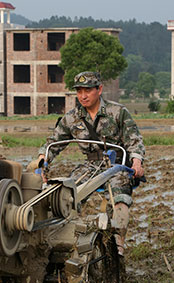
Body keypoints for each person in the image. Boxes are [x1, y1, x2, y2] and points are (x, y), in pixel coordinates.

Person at [28, 71, 145, 255]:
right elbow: (53, 143)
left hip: (115, 165)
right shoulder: (72, 118)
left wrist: (136, 162)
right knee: (67, 195)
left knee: (120, 196)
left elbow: (134, 140)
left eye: (88, 90)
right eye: (79, 91)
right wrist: (42, 162)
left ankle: (118, 241)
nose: (83, 95)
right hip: (89, 165)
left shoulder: (117, 112)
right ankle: (65, 238)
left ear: (99, 89)